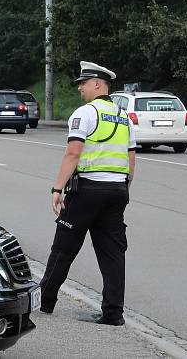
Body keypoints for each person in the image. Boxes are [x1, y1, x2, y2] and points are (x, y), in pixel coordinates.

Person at [39, 61, 136, 326]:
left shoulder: (85, 113)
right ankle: (113, 314)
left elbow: (73, 153)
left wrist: (57, 188)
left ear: (97, 84)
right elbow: (131, 159)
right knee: (113, 253)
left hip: (87, 192)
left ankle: (44, 302)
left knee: (63, 247)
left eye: (83, 82)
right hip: (116, 192)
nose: (80, 87)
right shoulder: (123, 116)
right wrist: (122, 191)